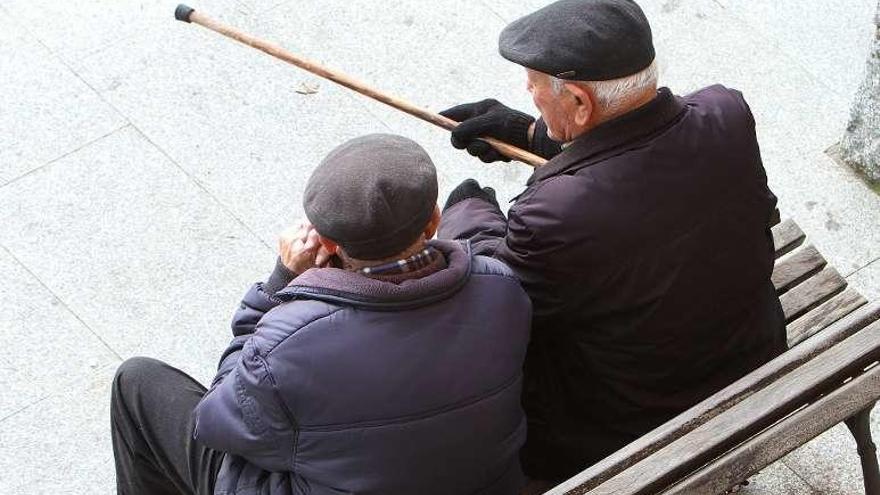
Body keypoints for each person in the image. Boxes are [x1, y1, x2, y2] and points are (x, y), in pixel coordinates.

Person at [438, 0, 787, 483]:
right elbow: (645, 150)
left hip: (634, 422)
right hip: (751, 355)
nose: (528, 91)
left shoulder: (555, 214)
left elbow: (496, 294)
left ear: (580, 103)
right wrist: (532, 132)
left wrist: (467, 210)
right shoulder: (725, 112)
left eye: (535, 86)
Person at [110, 134, 532, 495]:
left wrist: (280, 286)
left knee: (137, 382)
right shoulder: (502, 289)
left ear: (327, 241)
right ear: (433, 222)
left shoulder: (288, 345)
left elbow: (216, 420)